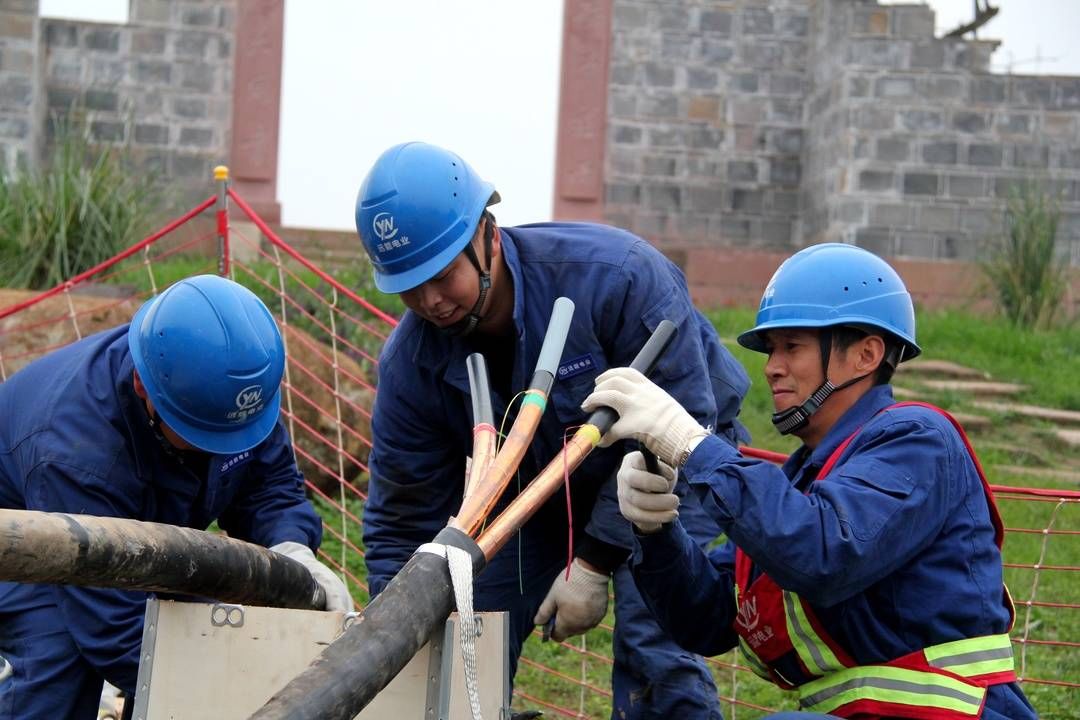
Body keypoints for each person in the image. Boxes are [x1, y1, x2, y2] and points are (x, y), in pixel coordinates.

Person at [355, 141, 751, 719]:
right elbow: (403, 514)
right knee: (473, 627)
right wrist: (393, 623)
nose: (430, 301)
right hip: (531, 493)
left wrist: (592, 561)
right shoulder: (411, 365)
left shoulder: (616, 277)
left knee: (654, 639)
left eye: (441, 276)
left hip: (665, 468)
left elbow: (684, 420)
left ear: (486, 234)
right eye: (408, 288)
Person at [583, 243, 1037, 720]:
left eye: (792, 346)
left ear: (866, 354)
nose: (772, 365)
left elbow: (824, 552)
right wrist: (657, 532)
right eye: (772, 349)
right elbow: (710, 619)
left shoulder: (916, 439)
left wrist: (691, 444)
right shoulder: (802, 480)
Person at [0, 274, 353, 720]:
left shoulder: (225, 391)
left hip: (147, 542)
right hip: (23, 541)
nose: (221, 449)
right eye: (203, 436)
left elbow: (268, 488)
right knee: (59, 653)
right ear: (144, 388)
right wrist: (236, 681)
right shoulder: (77, 455)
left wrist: (292, 551)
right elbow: (115, 629)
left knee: (194, 630)